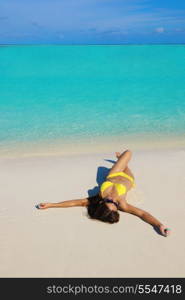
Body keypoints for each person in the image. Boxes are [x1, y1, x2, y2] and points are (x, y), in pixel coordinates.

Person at [36, 150, 170, 237]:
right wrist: (159, 225)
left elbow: (74, 202)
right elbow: (143, 214)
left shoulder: (98, 198)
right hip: (128, 179)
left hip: (112, 174)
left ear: (101, 203)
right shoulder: (123, 204)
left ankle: (120, 161)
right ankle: (124, 164)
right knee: (128, 156)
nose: (112, 200)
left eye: (109, 202)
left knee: (125, 154)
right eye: (114, 204)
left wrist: (51, 205)